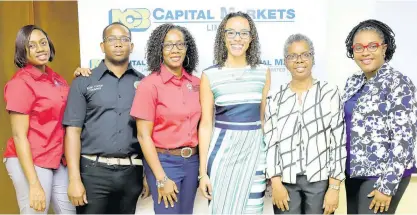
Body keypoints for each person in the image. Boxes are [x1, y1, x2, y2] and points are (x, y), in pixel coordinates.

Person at [62, 22, 146, 214]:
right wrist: (74, 179)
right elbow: (73, 132)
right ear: (102, 46)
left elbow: (147, 133)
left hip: (131, 174)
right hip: (93, 174)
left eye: (124, 39)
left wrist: (146, 175)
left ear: (131, 47)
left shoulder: (144, 84)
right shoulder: (84, 82)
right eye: (112, 39)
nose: (118, 44)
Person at [264, 33, 346, 214]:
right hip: (285, 182)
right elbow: (270, 142)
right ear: (285, 61)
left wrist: (334, 187)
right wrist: (275, 182)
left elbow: (338, 141)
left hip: (320, 181)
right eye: (292, 56)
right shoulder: (275, 97)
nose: (299, 60)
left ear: (312, 58)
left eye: (305, 55)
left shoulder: (329, 93)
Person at [198, 11, 271, 214]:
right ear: (223, 36)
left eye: (243, 33)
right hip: (222, 158)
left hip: (256, 156)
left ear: (251, 38)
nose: (237, 38)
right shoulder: (210, 75)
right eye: (231, 33)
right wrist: (202, 173)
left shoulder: (263, 73)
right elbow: (205, 125)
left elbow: (264, 121)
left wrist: (272, 165)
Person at [343, 19, 416, 214]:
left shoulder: (398, 83)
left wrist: (387, 186)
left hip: (383, 174)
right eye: (358, 47)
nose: (365, 52)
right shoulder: (352, 82)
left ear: (384, 48)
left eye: (372, 46)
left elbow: (405, 139)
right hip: (354, 170)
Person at [3, 25, 75, 214]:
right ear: (22, 51)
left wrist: (81, 78)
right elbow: (19, 136)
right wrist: (34, 184)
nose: (41, 48)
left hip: (57, 158)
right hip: (32, 159)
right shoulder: (20, 83)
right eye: (32, 46)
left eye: (43, 43)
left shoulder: (56, 78)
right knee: (36, 210)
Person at [130, 23, 200, 214]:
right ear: (159, 49)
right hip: (165, 163)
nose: (175, 50)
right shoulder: (149, 85)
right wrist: (161, 178)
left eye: (180, 44)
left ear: (187, 48)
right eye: (168, 45)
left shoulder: (197, 84)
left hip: (193, 162)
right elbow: (144, 136)